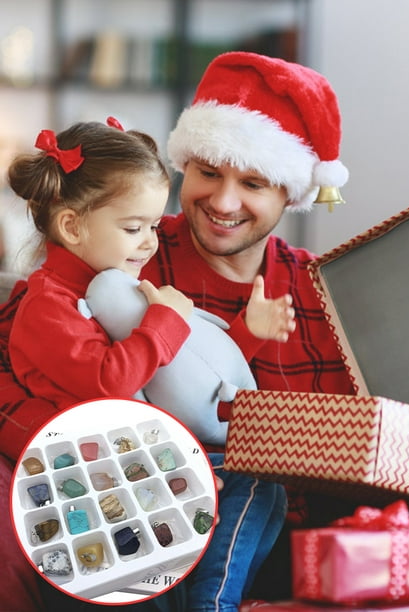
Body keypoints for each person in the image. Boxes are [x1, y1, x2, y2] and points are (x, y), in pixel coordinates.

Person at [0, 51, 354, 611]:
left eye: (254, 182)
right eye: (208, 173)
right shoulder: (118, 251)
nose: (223, 201)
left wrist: (250, 334)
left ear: (291, 192)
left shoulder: (323, 292)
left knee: (266, 488)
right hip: (133, 493)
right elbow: (36, 372)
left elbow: (201, 371)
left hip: (265, 524)